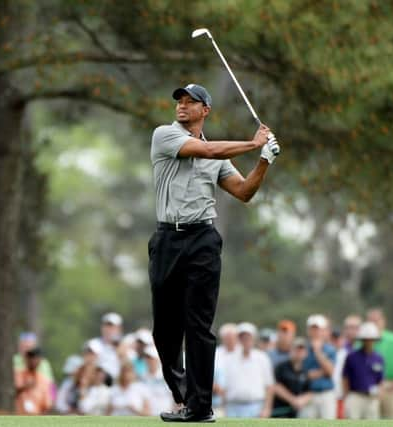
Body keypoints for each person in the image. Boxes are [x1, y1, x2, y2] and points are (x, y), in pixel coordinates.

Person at [148, 83, 279, 423]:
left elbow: (244, 191)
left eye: (191, 102)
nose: (182, 106)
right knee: (165, 330)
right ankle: (184, 394)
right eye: (179, 100)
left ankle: (199, 407)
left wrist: (263, 161)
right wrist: (252, 144)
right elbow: (206, 152)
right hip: (167, 240)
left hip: (203, 239)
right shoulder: (165, 136)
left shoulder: (216, 153)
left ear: (205, 110)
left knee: (199, 326)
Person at [222, 323, 274, 418]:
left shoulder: (262, 358)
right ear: (238, 339)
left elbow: (269, 386)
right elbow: (224, 387)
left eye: (248, 337)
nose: (245, 341)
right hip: (232, 407)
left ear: (253, 339)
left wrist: (267, 409)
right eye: (243, 338)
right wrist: (224, 408)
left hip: (256, 406)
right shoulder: (228, 359)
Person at [342, 322, 384, 420]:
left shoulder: (379, 358)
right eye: (366, 339)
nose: (369, 342)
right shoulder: (352, 357)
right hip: (355, 396)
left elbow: (380, 380)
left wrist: (380, 394)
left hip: (372, 397)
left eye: (371, 339)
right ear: (362, 340)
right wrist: (346, 396)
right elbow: (345, 377)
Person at [299, 315, 337, 419]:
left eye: (318, 329)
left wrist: (318, 352)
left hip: (326, 394)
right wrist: (322, 371)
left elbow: (330, 371)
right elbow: (304, 373)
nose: (315, 332)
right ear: (308, 331)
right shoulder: (302, 348)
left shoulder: (330, 349)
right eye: (313, 329)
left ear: (323, 331)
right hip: (308, 395)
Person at [271, 337, 311, 418]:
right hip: (279, 411)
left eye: (301, 350)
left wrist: (302, 400)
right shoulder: (281, 367)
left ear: (306, 353)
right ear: (290, 350)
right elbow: (275, 386)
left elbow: (309, 391)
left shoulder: (305, 371)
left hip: (296, 413)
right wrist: (293, 400)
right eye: (296, 349)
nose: (299, 352)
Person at [15, 348, 53, 415]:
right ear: (26, 359)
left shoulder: (44, 380)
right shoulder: (18, 375)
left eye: (36, 358)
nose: (33, 361)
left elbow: (47, 405)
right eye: (31, 358)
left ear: (40, 360)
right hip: (18, 414)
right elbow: (11, 392)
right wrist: (24, 387)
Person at [141, 345, 173, 416]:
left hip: (165, 416)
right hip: (146, 416)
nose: (148, 361)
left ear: (157, 359)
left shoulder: (166, 377)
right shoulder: (142, 377)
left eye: (151, 358)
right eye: (147, 358)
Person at [90, 312, 123, 379]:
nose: (109, 329)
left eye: (112, 327)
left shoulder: (125, 347)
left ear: (119, 329)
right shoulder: (93, 344)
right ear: (102, 327)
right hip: (96, 382)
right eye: (107, 326)